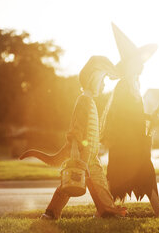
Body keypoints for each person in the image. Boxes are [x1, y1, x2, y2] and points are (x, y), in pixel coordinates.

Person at [19, 56, 127, 219]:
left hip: (90, 156)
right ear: (94, 78)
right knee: (70, 183)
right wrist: (77, 153)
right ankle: (51, 213)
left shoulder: (90, 101)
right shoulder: (84, 100)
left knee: (99, 184)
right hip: (81, 153)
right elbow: (76, 129)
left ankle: (106, 211)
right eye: (102, 80)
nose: (104, 84)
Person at [100, 23, 159, 218]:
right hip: (123, 142)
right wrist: (146, 117)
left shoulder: (135, 85)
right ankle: (104, 211)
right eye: (138, 61)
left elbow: (134, 114)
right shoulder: (122, 87)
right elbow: (122, 115)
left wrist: (149, 117)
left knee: (146, 172)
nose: (142, 64)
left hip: (135, 141)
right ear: (130, 64)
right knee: (116, 177)